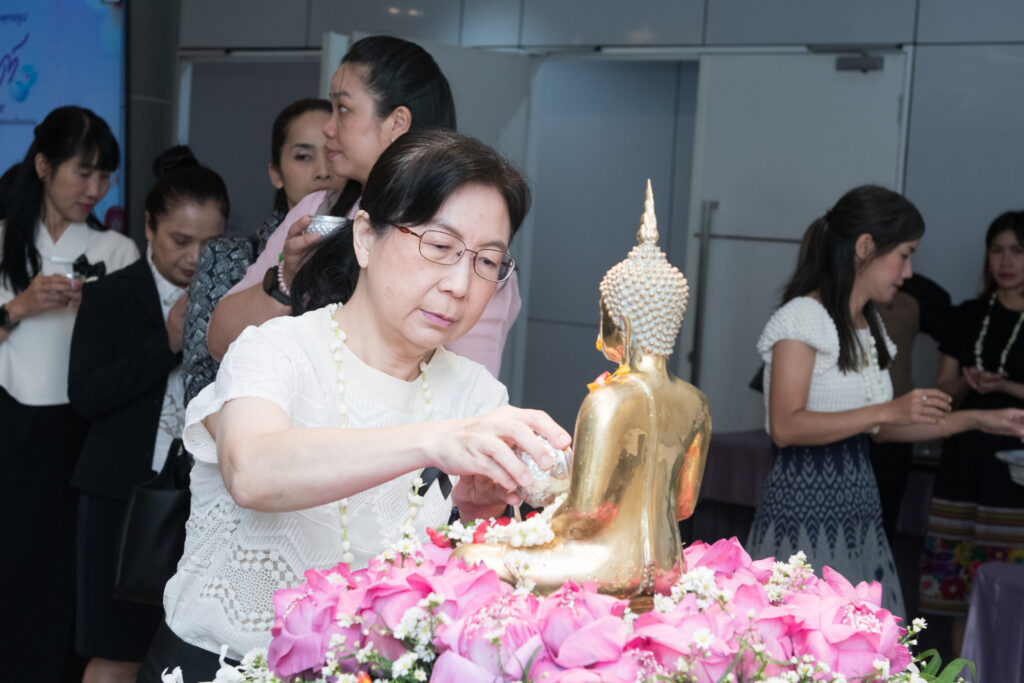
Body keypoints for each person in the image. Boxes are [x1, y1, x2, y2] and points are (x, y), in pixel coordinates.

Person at [137, 129, 568, 683]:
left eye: (487, 261)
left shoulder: (477, 395)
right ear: (365, 238)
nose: (461, 285)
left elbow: (449, 589)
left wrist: (476, 521)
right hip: (216, 668)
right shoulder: (276, 350)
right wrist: (433, 440)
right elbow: (252, 471)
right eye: (439, 247)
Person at [747, 185, 1024, 617]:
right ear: (865, 247)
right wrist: (885, 410)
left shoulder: (868, 323)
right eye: (905, 255)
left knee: (864, 643)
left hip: (859, 511)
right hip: (803, 509)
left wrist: (980, 420)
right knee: (802, 637)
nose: (909, 272)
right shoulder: (802, 317)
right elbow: (786, 426)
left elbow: (882, 430)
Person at [207, 35, 522, 378]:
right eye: (439, 245)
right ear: (363, 234)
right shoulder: (319, 208)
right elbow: (220, 340)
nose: (328, 128)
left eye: (343, 109)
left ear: (397, 123)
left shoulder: (474, 248)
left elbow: (466, 386)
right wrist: (287, 282)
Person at [67, 147, 228, 683]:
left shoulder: (235, 302)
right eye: (180, 240)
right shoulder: (110, 296)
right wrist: (168, 342)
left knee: (183, 653)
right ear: (148, 227)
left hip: (204, 500)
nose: (194, 257)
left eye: (210, 244)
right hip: (119, 498)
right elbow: (86, 396)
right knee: (115, 649)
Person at [0, 106, 139, 683]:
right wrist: (18, 307)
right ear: (42, 166)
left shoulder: (118, 252)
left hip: (84, 432)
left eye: (105, 176)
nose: (95, 189)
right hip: (10, 427)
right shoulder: (5, 242)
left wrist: (99, 314)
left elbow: (135, 359)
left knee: (68, 571)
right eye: (83, 172)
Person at [183, 98, 343, 403]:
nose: (322, 171)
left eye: (332, 153)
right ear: (275, 173)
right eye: (303, 156)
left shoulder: (358, 242)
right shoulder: (226, 256)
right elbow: (200, 380)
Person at [919, 210, 1024, 651]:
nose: (1006, 261)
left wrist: (1006, 387)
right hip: (964, 460)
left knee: (1011, 591)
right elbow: (940, 392)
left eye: (1017, 251)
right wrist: (968, 382)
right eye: (997, 250)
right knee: (959, 591)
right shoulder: (968, 315)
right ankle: (964, 675)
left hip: (1015, 470)